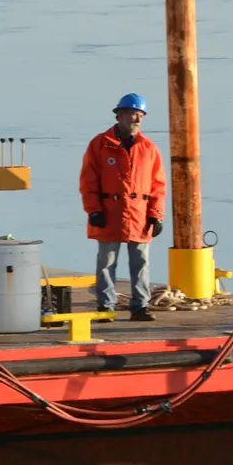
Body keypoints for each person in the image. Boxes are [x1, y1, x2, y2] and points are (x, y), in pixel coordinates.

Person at [79, 93, 167, 322]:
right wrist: (94, 210)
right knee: (106, 262)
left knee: (141, 262)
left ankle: (140, 307)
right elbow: (88, 181)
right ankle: (106, 306)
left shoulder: (148, 148)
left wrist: (156, 215)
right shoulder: (99, 145)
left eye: (140, 115)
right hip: (109, 212)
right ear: (119, 115)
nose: (136, 119)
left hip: (139, 213)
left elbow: (158, 185)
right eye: (132, 114)